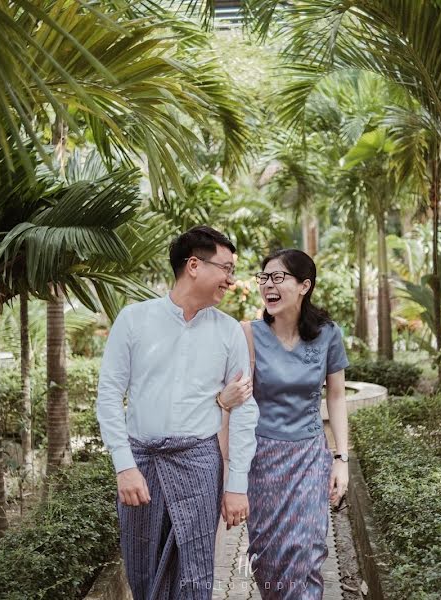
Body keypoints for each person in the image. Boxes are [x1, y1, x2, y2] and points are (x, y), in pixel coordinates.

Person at [96, 226, 259, 600]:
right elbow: (108, 396)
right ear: (194, 265)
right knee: (142, 570)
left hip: (199, 464)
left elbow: (246, 410)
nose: (231, 281)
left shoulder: (229, 330)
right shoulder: (134, 320)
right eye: (227, 269)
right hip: (143, 464)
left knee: (195, 573)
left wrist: (236, 485)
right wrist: (124, 466)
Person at [219, 248, 350, 599]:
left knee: (306, 551)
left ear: (304, 286)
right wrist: (229, 467)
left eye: (278, 277)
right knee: (267, 556)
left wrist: (341, 460)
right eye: (264, 278)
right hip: (261, 457)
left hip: (309, 454)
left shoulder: (328, 335)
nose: (268, 285)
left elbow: (336, 397)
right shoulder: (247, 333)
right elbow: (236, 402)